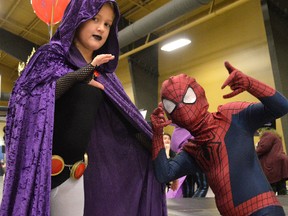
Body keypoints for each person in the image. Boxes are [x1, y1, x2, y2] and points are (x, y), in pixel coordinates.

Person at [0, 1, 166, 215]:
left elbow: (127, 124)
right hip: (41, 173)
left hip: (81, 178)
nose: (101, 28)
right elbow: (26, 101)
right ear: (77, 17)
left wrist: (157, 150)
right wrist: (79, 76)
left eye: (107, 24)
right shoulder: (50, 55)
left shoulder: (106, 75)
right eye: (95, 19)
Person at [150, 61, 288, 215]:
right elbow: (164, 174)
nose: (182, 107)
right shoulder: (194, 150)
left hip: (264, 210)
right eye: (172, 105)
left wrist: (250, 83)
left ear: (198, 93)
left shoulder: (231, 116)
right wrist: (157, 133)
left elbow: (282, 106)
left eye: (187, 98)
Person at [256, 127, 288, 195]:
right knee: (281, 187)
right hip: (280, 162)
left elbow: (263, 147)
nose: (259, 133)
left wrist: (253, 153)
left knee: (271, 187)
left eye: (259, 131)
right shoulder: (276, 136)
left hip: (272, 164)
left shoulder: (268, 135)